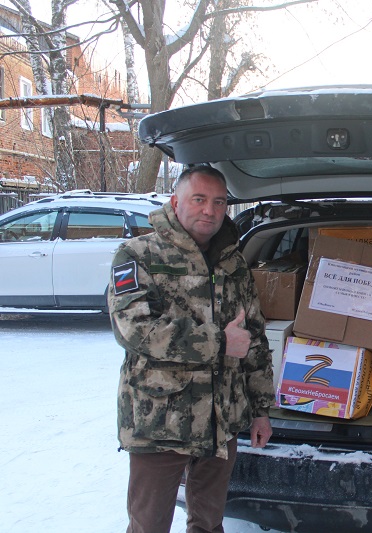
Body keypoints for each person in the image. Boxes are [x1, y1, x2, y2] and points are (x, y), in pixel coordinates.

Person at [108, 166, 274, 533]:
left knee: (209, 524)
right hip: (161, 421)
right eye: (199, 200)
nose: (210, 211)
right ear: (175, 201)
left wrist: (261, 409)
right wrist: (218, 343)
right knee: (148, 525)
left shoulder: (233, 263)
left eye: (219, 202)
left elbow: (255, 339)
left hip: (222, 420)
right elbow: (133, 329)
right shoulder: (138, 255)